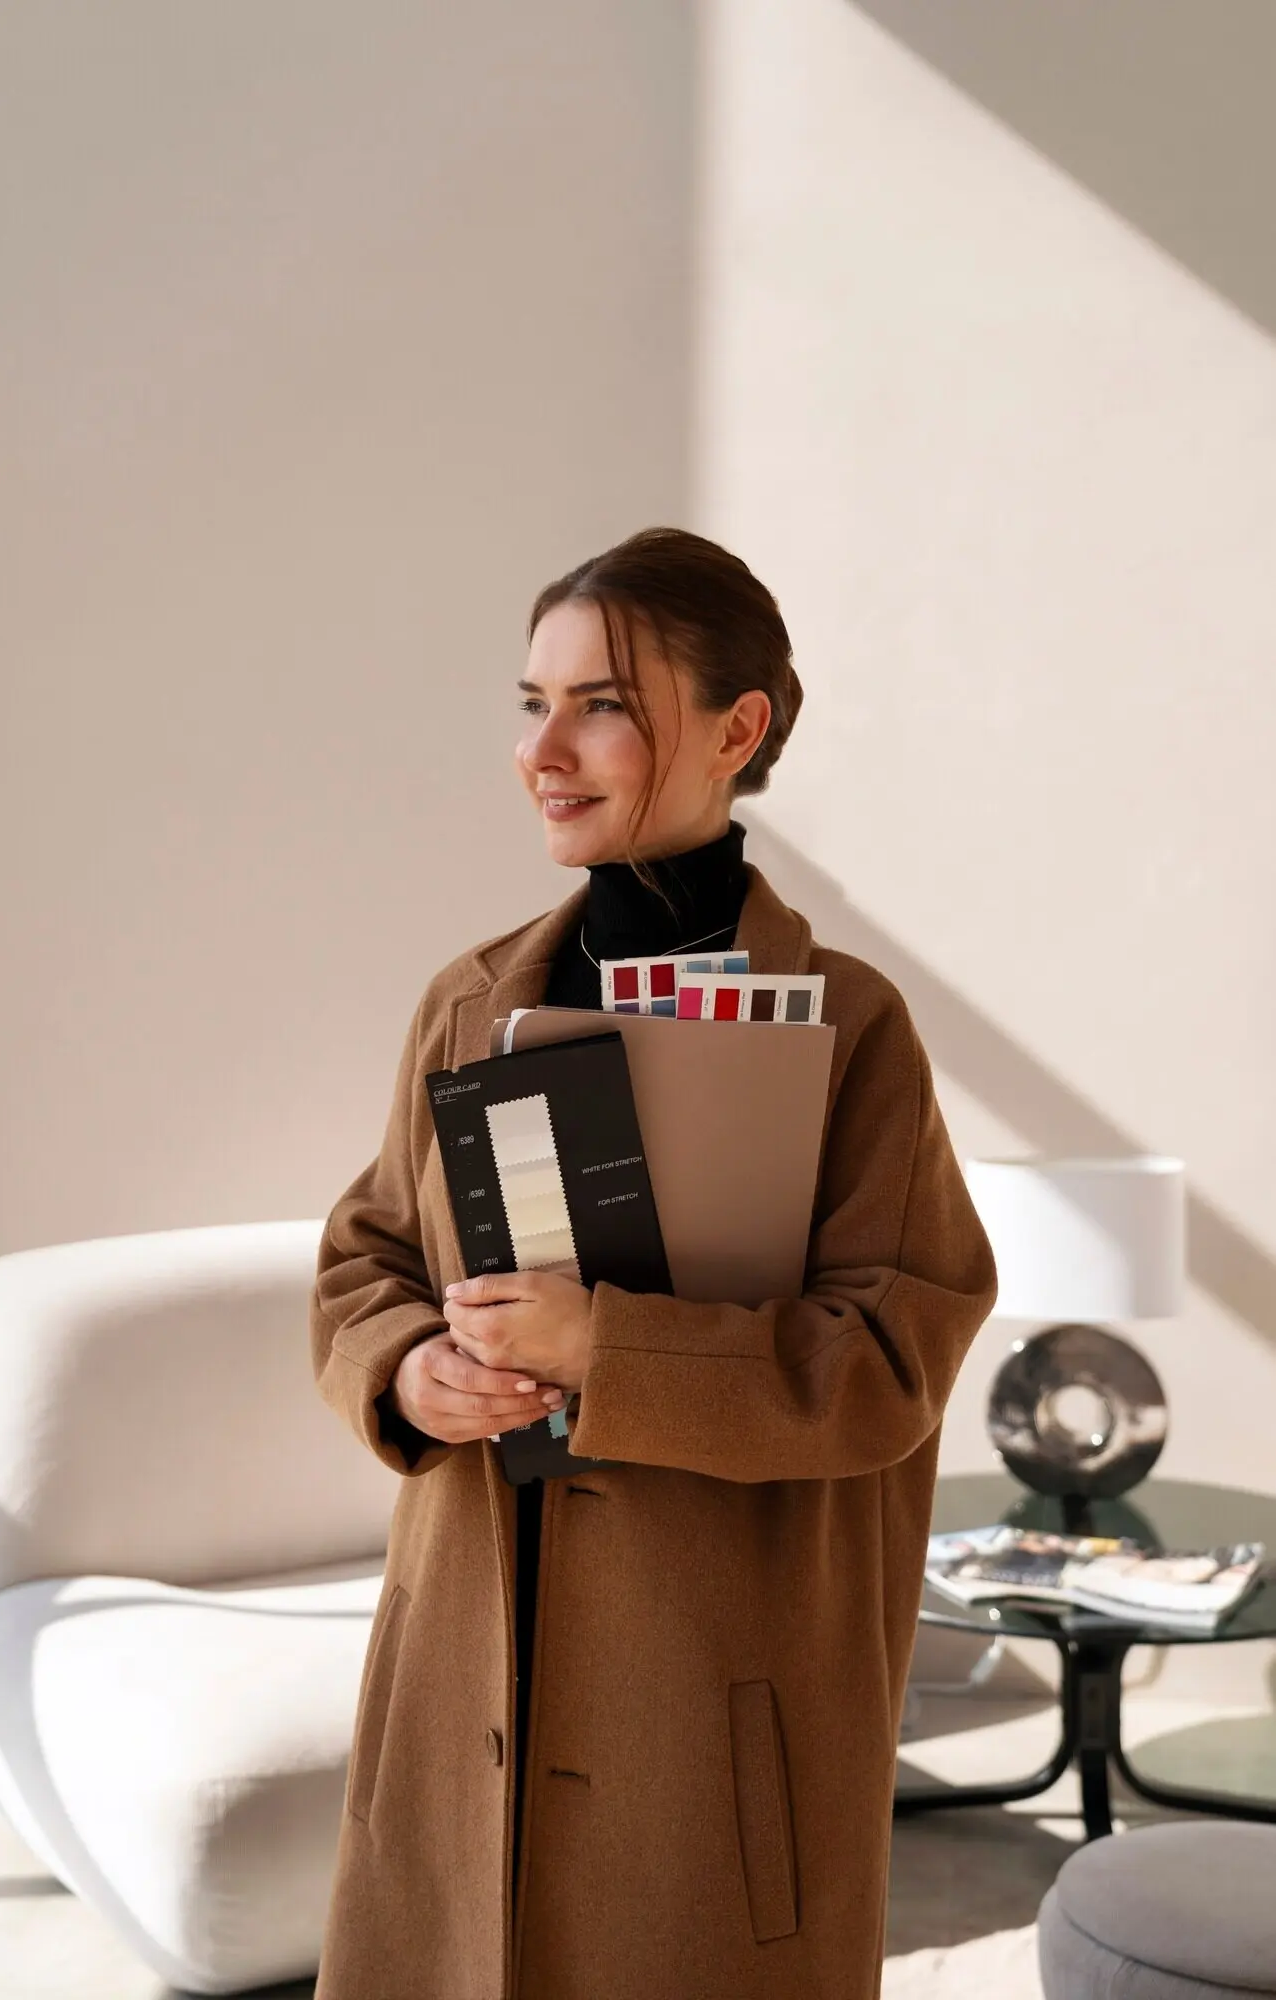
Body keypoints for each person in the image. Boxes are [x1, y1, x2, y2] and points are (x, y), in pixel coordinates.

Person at [309, 526, 998, 2000]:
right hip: (465, 1677)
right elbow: (364, 1253)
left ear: (737, 729)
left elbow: (889, 1363)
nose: (542, 750)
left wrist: (603, 1351)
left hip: (710, 1719)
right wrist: (409, 1369)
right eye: (531, 702)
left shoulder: (850, 1028)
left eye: (600, 704)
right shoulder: (467, 999)